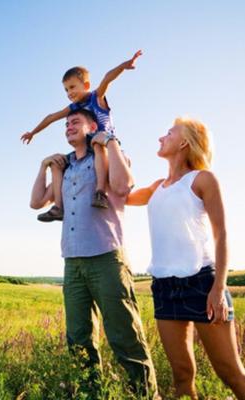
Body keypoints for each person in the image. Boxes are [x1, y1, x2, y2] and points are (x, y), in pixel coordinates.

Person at [127, 117, 245, 400]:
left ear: (184, 143)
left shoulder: (202, 179)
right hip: (164, 287)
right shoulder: (156, 187)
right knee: (181, 373)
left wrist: (218, 289)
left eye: (168, 133)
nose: (160, 138)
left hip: (201, 284)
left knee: (230, 372)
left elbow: (222, 234)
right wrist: (108, 149)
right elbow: (121, 196)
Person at [30, 108, 158, 398]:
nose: (68, 127)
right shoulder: (66, 168)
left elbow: (124, 186)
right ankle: (91, 393)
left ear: (92, 126)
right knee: (78, 338)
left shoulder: (107, 156)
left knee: (124, 334)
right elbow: (36, 201)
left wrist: (109, 140)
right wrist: (43, 166)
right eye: (65, 124)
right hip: (72, 262)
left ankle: (145, 395)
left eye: (75, 122)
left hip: (106, 257)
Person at [22, 50, 143, 221]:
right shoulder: (73, 108)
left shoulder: (96, 97)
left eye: (72, 87)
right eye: (66, 90)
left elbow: (107, 78)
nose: (69, 93)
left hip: (104, 143)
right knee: (57, 164)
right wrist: (33, 132)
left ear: (85, 85)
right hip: (85, 149)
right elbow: (51, 117)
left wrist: (124, 66)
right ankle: (58, 207)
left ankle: (100, 191)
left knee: (96, 144)